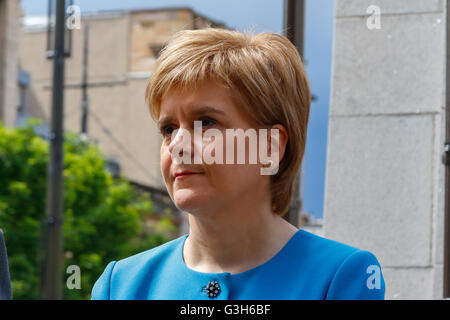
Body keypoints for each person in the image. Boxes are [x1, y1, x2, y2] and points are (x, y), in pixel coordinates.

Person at [91, 28, 385, 300]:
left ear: (270, 146)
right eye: (168, 128)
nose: (177, 145)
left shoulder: (339, 277)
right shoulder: (120, 286)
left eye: (205, 123)